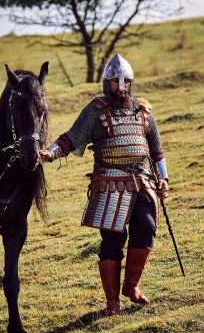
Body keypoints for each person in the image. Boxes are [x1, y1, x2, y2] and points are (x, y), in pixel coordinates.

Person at [40, 54, 169, 315]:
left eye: (124, 83)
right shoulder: (95, 112)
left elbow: (156, 151)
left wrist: (163, 178)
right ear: (106, 84)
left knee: (146, 229)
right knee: (112, 241)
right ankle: (112, 302)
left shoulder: (143, 114)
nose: (120, 88)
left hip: (144, 183)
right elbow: (71, 138)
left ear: (131, 84)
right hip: (110, 186)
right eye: (114, 83)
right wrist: (51, 153)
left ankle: (131, 286)